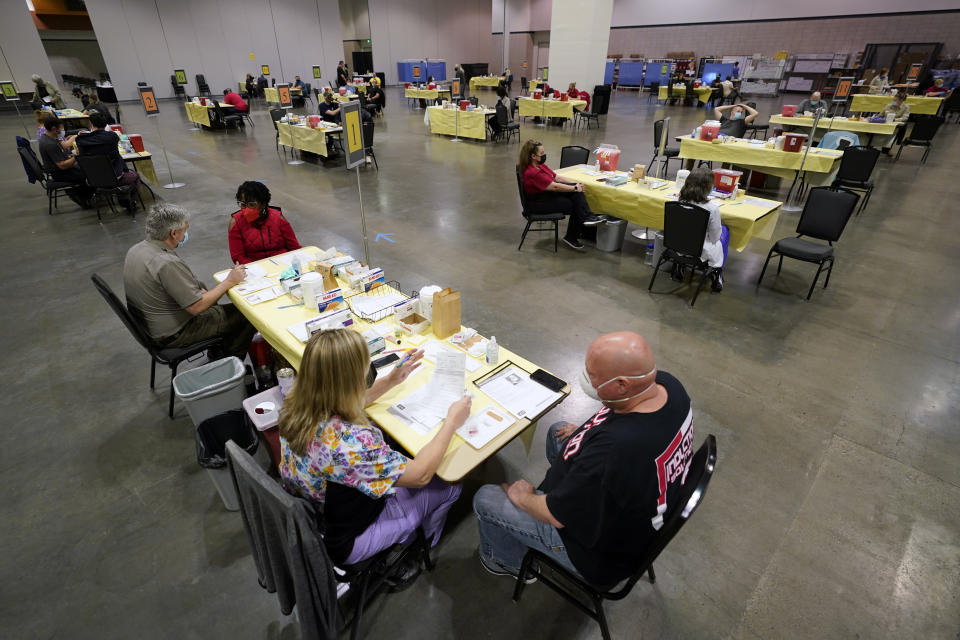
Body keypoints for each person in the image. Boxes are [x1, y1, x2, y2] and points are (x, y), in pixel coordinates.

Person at [473, 331, 695, 588]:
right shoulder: (666, 386)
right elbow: (621, 426)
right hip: (630, 504)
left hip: (595, 553)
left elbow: (556, 516)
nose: (586, 379)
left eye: (593, 376)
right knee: (558, 430)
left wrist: (523, 497)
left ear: (622, 384)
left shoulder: (615, 451)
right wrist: (587, 431)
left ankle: (505, 561)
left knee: (487, 498)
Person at [279, 328, 470, 569]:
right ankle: (416, 545)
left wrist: (390, 381)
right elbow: (421, 475)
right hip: (346, 539)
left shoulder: (293, 404)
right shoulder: (352, 444)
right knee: (449, 485)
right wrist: (452, 421)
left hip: (314, 512)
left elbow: (340, 402)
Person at [123, 203, 256, 360]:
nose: (186, 233)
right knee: (249, 315)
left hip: (151, 326)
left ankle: (222, 350)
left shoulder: (137, 250)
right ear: (173, 233)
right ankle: (229, 361)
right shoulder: (165, 262)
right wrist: (229, 281)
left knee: (207, 291)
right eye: (185, 229)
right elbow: (196, 307)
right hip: (174, 333)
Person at [519, 140, 604, 251]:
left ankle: (586, 218)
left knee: (576, 195)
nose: (544, 155)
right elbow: (554, 186)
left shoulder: (540, 166)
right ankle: (579, 227)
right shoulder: (532, 172)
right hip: (538, 204)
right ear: (533, 156)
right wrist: (574, 188)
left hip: (546, 196)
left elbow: (557, 178)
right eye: (542, 153)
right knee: (574, 203)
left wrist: (576, 183)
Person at [673, 167, 728, 291]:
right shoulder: (712, 209)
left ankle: (680, 265)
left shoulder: (675, 202)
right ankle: (717, 273)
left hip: (676, 245)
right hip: (699, 251)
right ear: (708, 187)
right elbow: (714, 238)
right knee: (724, 233)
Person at [75, 111, 142, 212]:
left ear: (91, 124)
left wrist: (83, 135)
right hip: (115, 177)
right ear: (105, 124)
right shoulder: (112, 136)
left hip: (94, 179)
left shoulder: (81, 139)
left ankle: (122, 199)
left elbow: (83, 154)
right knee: (136, 176)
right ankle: (129, 203)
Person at [229, 181, 301, 264]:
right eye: (243, 204)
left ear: (263, 204)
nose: (246, 209)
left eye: (251, 204)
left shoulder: (278, 218)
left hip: (283, 264)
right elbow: (238, 257)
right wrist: (257, 268)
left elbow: (294, 248)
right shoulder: (235, 223)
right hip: (253, 269)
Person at [37, 115, 94, 208]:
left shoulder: (47, 138)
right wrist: (76, 156)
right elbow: (62, 165)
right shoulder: (50, 144)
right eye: (61, 129)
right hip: (61, 173)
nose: (62, 131)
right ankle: (82, 197)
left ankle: (81, 193)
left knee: (88, 167)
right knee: (91, 174)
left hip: (60, 168)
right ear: (54, 128)